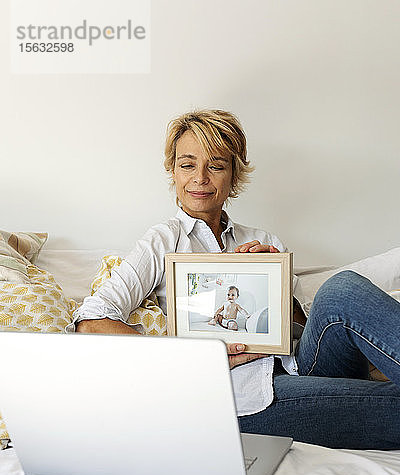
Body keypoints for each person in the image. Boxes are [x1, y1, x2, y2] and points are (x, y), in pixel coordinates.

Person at [70, 109, 400, 450]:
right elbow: (90, 321)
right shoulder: (164, 241)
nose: (200, 178)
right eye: (187, 165)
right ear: (173, 171)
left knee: (342, 288)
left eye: (215, 165)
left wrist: (280, 292)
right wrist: (184, 356)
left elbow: (302, 330)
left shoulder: (262, 239)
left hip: (301, 365)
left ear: (233, 175)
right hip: (240, 393)